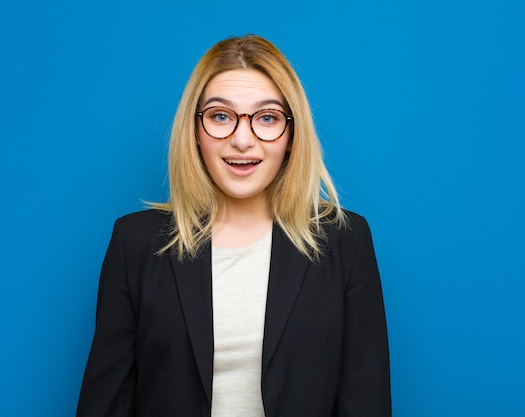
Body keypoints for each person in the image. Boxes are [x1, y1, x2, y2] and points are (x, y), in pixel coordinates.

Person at [76, 34, 391, 417]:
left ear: (291, 135)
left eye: (267, 118)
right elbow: (105, 402)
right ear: (195, 130)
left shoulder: (346, 241)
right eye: (220, 116)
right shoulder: (135, 243)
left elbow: (366, 399)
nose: (243, 140)